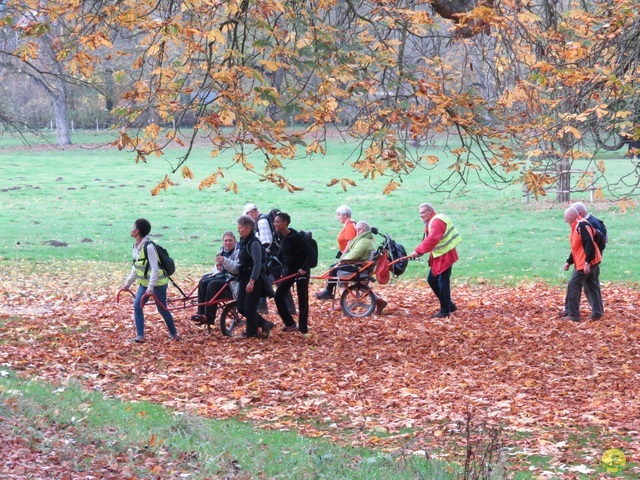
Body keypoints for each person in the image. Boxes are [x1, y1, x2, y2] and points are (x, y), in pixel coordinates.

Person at [121, 218, 178, 343]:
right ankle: (140, 336)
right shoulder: (136, 246)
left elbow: (155, 269)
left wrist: (151, 288)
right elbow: (136, 267)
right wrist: (127, 284)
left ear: (137, 231)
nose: (131, 229)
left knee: (162, 309)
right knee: (137, 306)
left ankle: (174, 334)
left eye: (133, 227)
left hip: (158, 284)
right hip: (144, 283)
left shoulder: (149, 247)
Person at [316, 221, 388, 314]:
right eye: (356, 229)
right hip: (361, 266)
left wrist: (342, 260)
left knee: (335, 269)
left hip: (360, 268)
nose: (357, 231)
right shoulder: (364, 239)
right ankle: (379, 301)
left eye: (359, 229)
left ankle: (332, 294)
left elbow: (353, 256)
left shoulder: (364, 241)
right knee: (335, 268)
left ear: (365, 230)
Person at [409, 203, 461, 318]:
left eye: (423, 213)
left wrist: (418, 251)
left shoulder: (436, 221)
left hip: (445, 255)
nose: (421, 215)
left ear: (430, 211)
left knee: (443, 282)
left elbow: (433, 238)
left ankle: (445, 310)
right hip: (440, 255)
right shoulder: (433, 220)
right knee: (432, 280)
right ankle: (449, 305)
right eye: (420, 213)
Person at [561, 206, 604, 322]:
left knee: (573, 285)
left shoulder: (582, 226)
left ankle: (573, 315)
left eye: (566, 217)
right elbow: (577, 247)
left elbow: (589, 245)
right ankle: (597, 313)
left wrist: (587, 263)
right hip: (583, 261)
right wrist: (568, 261)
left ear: (572, 216)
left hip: (587, 261)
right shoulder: (575, 226)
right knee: (591, 285)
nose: (565, 220)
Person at [273, 212, 313, 333]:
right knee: (279, 296)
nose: (275, 224)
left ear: (285, 223)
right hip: (289, 270)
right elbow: (281, 255)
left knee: (302, 298)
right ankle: (290, 323)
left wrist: (304, 268)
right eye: (274, 222)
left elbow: (310, 253)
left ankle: (303, 327)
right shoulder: (281, 236)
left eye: (278, 221)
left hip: (301, 270)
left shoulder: (297, 237)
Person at [236, 215, 275, 338]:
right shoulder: (244, 241)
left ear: (248, 228)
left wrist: (252, 281)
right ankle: (264, 323)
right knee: (241, 307)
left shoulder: (254, 243)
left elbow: (257, 263)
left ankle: (252, 333)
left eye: (240, 228)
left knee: (249, 308)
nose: (238, 230)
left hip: (254, 279)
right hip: (244, 277)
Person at [191, 231, 239, 325]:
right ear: (222, 242)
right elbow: (217, 269)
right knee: (203, 281)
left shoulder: (238, 251)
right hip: (223, 277)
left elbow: (236, 269)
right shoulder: (221, 251)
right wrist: (218, 267)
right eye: (226, 241)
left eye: (230, 240)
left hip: (233, 280)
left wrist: (225, 261)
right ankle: (201, 313)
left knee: (212, 285)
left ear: (234, 241)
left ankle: (209, 317)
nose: (228, 243)